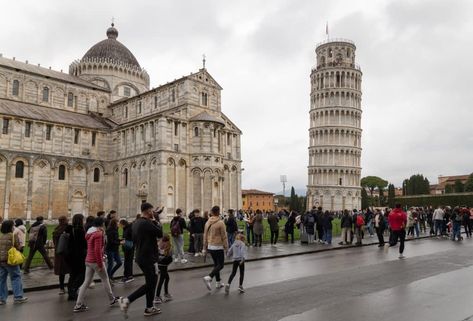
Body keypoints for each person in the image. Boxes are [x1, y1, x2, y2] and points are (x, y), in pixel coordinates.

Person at [119, 202, 163, 317]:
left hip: (141, 256)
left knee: (152, 281)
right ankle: (127, 300)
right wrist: (156, 220)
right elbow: (160, 233)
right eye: (152, 210)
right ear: (148, 211)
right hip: (148, 257)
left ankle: (149, 307)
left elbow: (136, 239)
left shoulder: (136, 223)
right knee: (151, 283)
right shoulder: (146, 223)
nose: (153, 212)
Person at [73, 217, 118, 313]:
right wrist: (100, 264)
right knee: (105, 279)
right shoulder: (98, 234)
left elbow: (95, 248)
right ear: (102, 224)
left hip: (88, 260)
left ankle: (78, 304)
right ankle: (112, 299)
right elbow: (97, 250)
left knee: (86, 282)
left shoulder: (90, 232)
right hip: (96, 261)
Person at [0, 220, 28, 304]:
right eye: (12, 226)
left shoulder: (1, 236)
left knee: (2, 280)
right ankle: (18, 297)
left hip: (1, 261)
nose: (13, 227)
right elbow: (18, 247)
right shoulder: (13, 236)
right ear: (10, 227)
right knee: (15, 277)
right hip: (10, 260)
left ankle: (2, 298)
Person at [202, 206, 228, 291]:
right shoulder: (221, 223)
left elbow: (205, 235)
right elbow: (224, 236)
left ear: (212, 212)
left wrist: (204, 247)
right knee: (221, 265)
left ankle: (218, 282)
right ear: (219, 212)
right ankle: (209, 277)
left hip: (210, 246)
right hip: (218, 246)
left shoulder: (207, 222)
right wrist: (226, 247)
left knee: (216, 264)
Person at [66, 214, 87, 301]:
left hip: (70, 255)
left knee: (73, 274)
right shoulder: (80, 231)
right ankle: (74, 290)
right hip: (79, 255)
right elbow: (84, 244)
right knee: (82, 274)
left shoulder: (70, 229)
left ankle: (71, 292)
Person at [52, 216, 71, 295]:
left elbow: (54, 242)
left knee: (61, 272)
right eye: (67, 219)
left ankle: (61, 288)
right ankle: (71, 287)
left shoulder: (56, 230)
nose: (68, 220)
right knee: (71, 271)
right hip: (68, 252)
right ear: (64, 221)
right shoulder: (68, 229)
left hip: (59, 253)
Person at [154, 235, 173, 304]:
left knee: (167, 278)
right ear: (167, 240)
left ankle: (166, 293)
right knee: (161, 280)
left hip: (161, 265)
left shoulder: (159, 244)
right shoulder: (167, 246)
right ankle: (157, 296)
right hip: (163, 266)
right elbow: (169, 258)